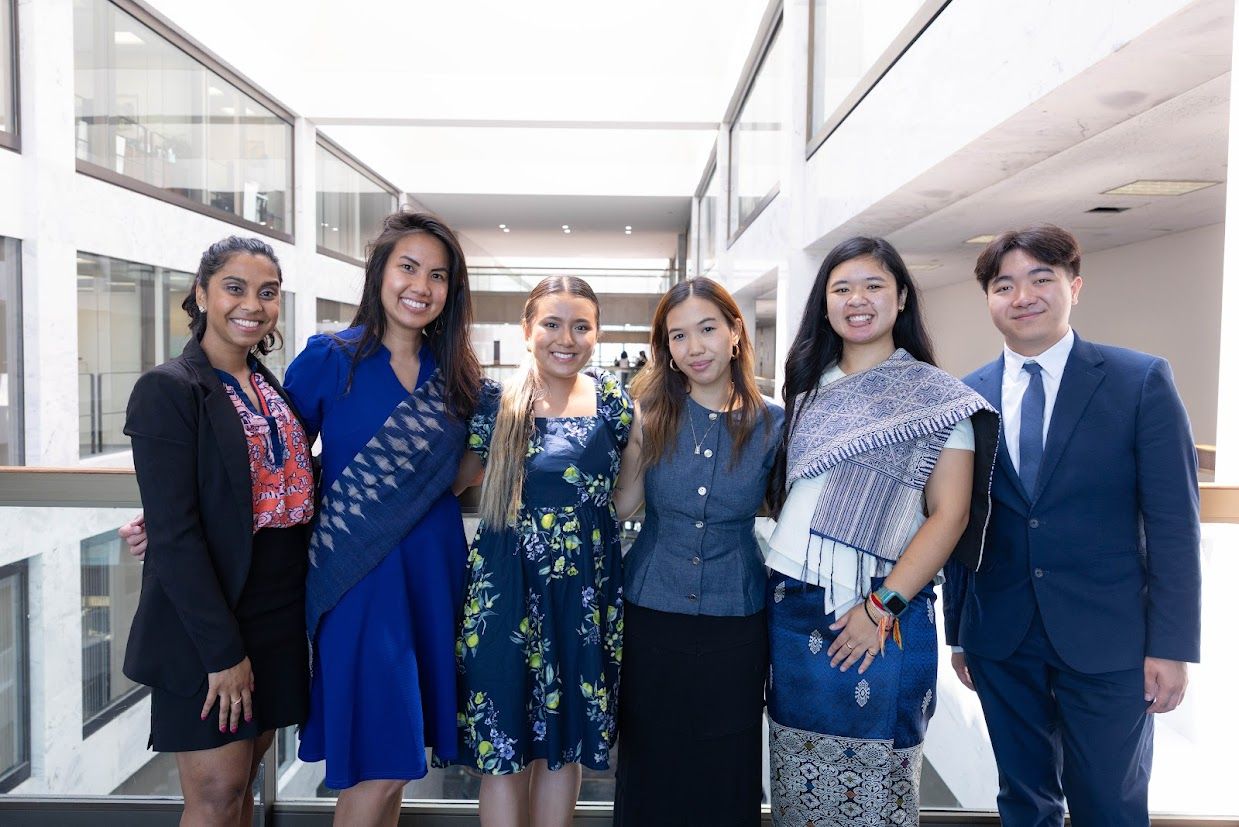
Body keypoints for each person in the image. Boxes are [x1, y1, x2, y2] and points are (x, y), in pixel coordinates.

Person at [123, 212, 488, 825]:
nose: (420, 285)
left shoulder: (456, 375)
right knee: (373, 764)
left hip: (425, 579)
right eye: (407, 267)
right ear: (378, 275)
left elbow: (281, 467)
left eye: (438, 274)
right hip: (357, 581)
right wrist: (162, 518)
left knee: (396, 764)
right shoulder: (326, 360)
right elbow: (264, 462)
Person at [943, 224, 1201, 826]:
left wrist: (1172, 645)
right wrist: (959, 632)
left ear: (1074, 286)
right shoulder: (966, 396)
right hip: (1001, 637)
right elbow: (960, 524)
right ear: (988, 300)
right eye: (1004, 285)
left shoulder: (1139, 381)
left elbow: (1173, 524)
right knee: (1024, 800)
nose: (1022, 296)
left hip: (1111, 638)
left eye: (1041, 279)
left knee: (1109, 803)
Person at [764, 237, 996, 825]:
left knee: (875, 788)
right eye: (841, 289)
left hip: (880, 608)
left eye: (873, 286)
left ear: (901, 298)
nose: (857, 300)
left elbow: (951, 514)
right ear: (825, 304)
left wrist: (881, 606)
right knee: (798, 784)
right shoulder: (807, 389)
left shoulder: (937, 398)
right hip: (792, 608)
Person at [123, 236, 315, 826]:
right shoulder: (169, 388)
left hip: (277, 613)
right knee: (214, 796)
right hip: (210, 622)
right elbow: (176, 533)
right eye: (235, 288)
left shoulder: (271, 388)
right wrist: (223, 653)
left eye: (267, 293)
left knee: (242, 793)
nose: (252, 305)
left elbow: (264, 488)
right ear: (202, 293)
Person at [451, 275, 633, 827]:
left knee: (566, 746)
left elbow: (628, 493)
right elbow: (450, 483)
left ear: (596, 334)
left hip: (582, 598)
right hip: (503, 594)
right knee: (502, 753)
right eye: (552, 324)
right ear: (527, 330)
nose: (567, 337)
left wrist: (579, 539)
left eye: (582, 326)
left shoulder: (611, 401)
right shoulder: (496, 403)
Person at [610, 277, 782, 826]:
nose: (695, 348)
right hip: (651, 613)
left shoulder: (776, 422)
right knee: (650, 760)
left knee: (726, 762)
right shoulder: (649, 413)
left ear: (735, 332)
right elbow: (623, 506)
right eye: (678, 337)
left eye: (708, 329)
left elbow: (792, 513)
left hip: (738, 616)